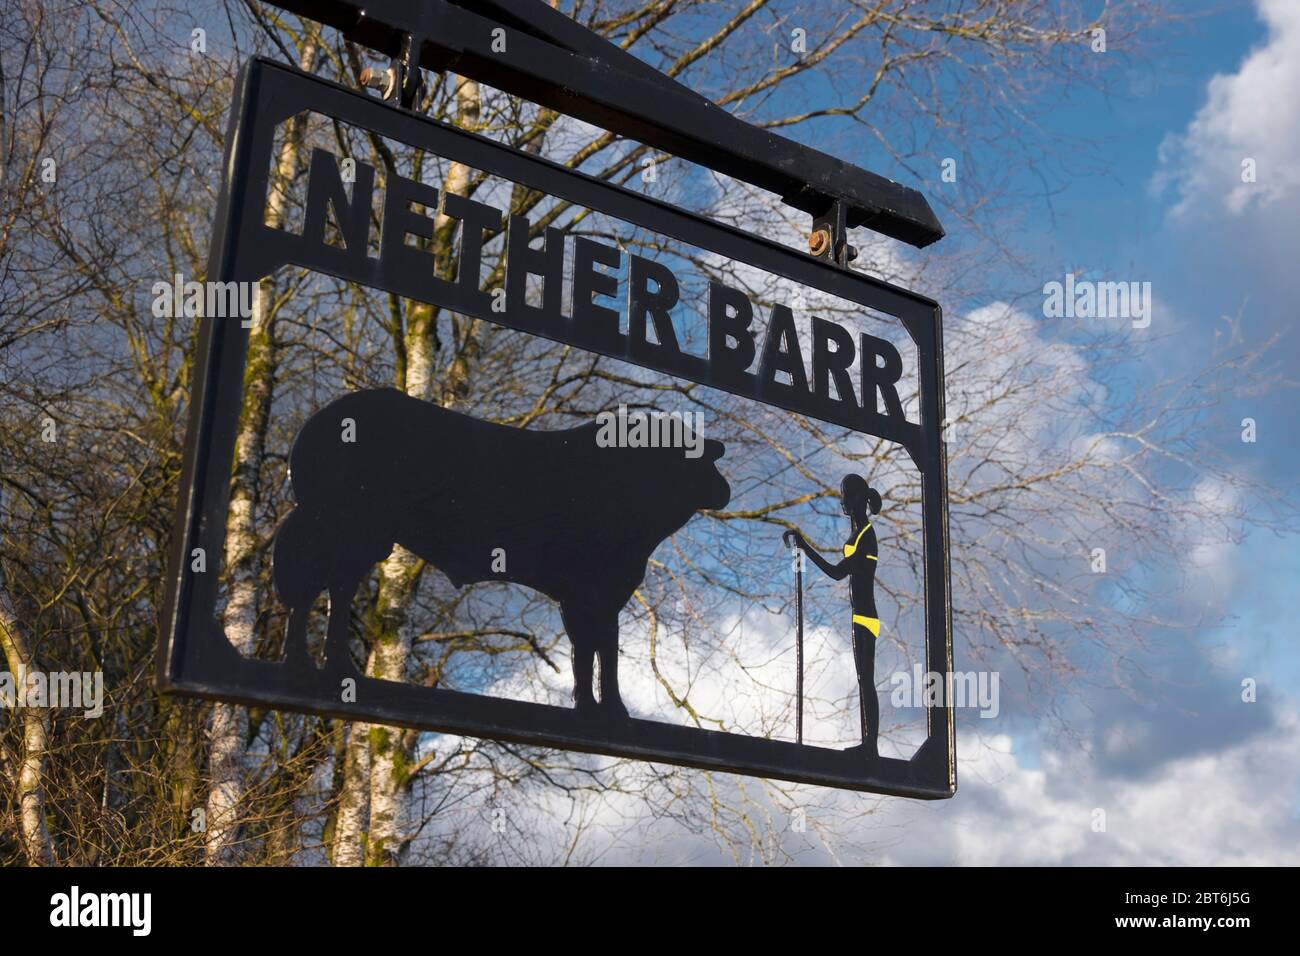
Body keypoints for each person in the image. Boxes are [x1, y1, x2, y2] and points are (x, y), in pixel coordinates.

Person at [785, 475, 882, 759]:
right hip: (859, 615)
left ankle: (870, 745)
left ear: (858, 499)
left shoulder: (867, 536)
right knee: (864, 677)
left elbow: (837, 572)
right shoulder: (858, 533)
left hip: (865, 616)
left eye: (847, 496)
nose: (843, 501)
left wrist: (805, 547)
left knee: (866, 679)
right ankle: (868, 743)